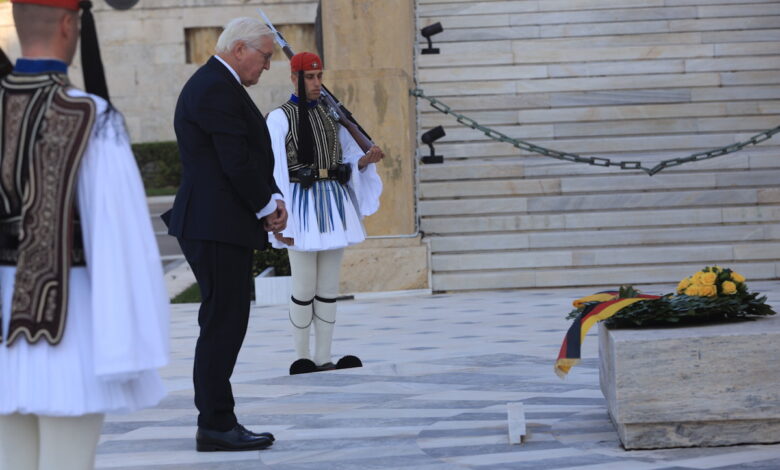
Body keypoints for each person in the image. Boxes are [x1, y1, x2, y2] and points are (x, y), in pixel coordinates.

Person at [0, 1, 170, 469]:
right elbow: (119, 240)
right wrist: (126, 340)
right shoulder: (88, 116)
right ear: (68, 24)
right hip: (67, 328)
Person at [164, 17, 286, 452]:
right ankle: (215, 423)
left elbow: (244, 157)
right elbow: (233, 160)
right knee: (222, 323)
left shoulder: (219, 83)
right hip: (213, 224)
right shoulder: (216, 86)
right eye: (265, 56)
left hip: (219, 223)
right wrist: (268, 206)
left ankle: (217, 420)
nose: (267, 66)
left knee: (226, 321)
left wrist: (269, 197)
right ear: (240, 49)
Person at [266, 51, 384, 375]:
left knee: (328, 288)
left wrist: (363, 161)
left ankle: (323, 357)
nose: (317, 83)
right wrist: (278, 216)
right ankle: (301, 356)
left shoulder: (331, 116)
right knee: (303, 287)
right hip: (300, 206)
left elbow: (345, 158)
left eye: (319, 77)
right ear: (294, 78)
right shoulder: (279, 118)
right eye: (309, 77)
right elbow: (275, 170)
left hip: (332, 203)